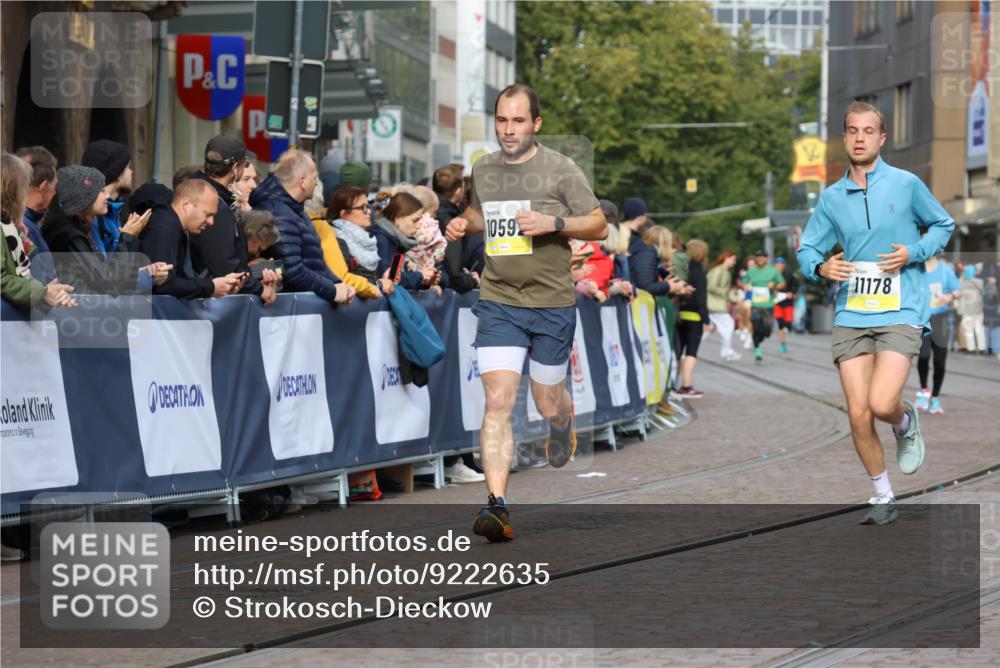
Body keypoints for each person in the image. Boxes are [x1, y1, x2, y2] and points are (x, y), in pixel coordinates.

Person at [444, 84, 607, 542]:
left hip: (552, 302)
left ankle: (562, 419)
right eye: (501, 120)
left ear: (536, 123)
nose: (508, 129)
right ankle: (496, 505)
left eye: (518, 121)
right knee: (497, 402)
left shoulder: (561, 168)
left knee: (546, 402)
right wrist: (463, 223)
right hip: (500, 299)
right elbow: (483, 214)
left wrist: (555, 223)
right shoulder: (484, 168)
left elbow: (599, 224)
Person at [796, 101, 954, 525]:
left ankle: (904, 422)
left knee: (882, 403)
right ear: (845, 138)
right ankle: (883, 495)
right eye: (853, 131)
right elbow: (807, 249)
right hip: (852, 311)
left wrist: (913, 252)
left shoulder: (906, 184)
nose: (860, 138)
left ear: (882, 138)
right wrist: (820, 267)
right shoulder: (832, 198)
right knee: (858, 412)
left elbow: (944, 225)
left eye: (869, 131)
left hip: (901, 306)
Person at [250, 150, 355, 305]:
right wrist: (332, 291)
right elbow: (292, 270)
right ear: (302, 181)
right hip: (291, 308)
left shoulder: (295, 211)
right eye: (315, 177)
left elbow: (315, 262)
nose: (317, 183)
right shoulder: (278, 213)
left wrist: (337, 284)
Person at [42, 165, 166, 295]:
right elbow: (110, 282)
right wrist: (127, 237)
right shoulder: (69, 235)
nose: (107, 196)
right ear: (83, 197)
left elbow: (102, 275)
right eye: (101, 191)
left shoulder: (77, 228)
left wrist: (144, 273)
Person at [189, 135, 277, 305]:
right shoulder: (215, 205)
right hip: (212, 305)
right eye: (244, 165)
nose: (252, 184)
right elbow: (225, 266)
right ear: (236, 168)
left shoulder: (201, 194)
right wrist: (259, 289)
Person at [139, 179, 245, 299]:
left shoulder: (172, 225)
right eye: (208, 214)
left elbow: (176, 279)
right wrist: (211, 287)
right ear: (186, 205)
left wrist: (218, 285)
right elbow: (164, 284)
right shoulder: (166, 226)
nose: (211, 222)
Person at [1, 152, 76, 311]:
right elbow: (2, 280)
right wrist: (43, 292)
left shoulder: (12, 226)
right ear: (12, 191)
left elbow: (22, 277)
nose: (26, 192)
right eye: (24, 186)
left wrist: (47, 294)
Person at [324, 185, 394, 299]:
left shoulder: (367, 239)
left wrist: (384, 278)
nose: (369, 212)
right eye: (363, 208)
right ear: (344, 213)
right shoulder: (337, 239)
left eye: (369, 206)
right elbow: (343, 280)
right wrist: (378, 284)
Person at [916, 253, 960, 414]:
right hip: (922, 318)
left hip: (941, 319)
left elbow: (958, 290)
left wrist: (950, 296)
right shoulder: (917, 268)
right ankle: (924, 391)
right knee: (923, 356)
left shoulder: (945, 269)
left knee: (939, 362)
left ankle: (935, 397)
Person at [373, 192, 437, 292]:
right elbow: (391, 280)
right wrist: (421, 275)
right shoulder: (383, 240)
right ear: (397, 218)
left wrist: (425, 283)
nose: (418, 226)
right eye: (415, 220)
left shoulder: (394, 241)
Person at [81, 139, 133, 256]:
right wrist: (128, 236)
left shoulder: (115, 211)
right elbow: (102, 266)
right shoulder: (91, 216)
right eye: (128, 167)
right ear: (118, 171)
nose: (131, 172)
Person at [433, 163, 480, 293]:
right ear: (458, 190)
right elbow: (455, 275)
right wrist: (473, 280)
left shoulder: (428, 214)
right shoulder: (452, 224)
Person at [14, 146, 58, 283]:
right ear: (43, 186)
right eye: (54, 186)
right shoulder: (24, 227)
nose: (55, 192)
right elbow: (44, 284)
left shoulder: (24, 222)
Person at [675, 239, 710, 397]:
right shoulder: (699, 273)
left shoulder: (681, 270)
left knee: (677, 351)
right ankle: (686, 386)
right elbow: (701, 299)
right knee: (691, 352)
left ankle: (671, 385)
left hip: (679, 315)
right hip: (694, 317)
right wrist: (706, 320)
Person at [741, 250, 785, 364]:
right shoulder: (751, 271)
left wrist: (774, 285)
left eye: (762, 257)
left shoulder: (773, 270)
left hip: (768, 305)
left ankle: (758, 340)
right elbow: (743, 282)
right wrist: (745, 285)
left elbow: (782, 283)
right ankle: (758, 353)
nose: (760, 258)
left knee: (767, 329)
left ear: (766, 258)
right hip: (755, 305)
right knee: (756, 326)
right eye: (758, 257)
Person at [707, 251, 740, 361]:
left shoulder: (725, 271)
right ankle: (727, 351)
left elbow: (726, 290)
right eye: (733, 259)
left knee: (707, 329)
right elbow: (712, 286)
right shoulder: (719, 270)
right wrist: (726, 294)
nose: (735, 262)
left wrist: (736, 299)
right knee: (728, 324)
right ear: (726, 258)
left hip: (715, 303)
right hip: (714, 303)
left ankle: (687, 351)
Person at [772, 256, 799, 353]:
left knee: (788, 323)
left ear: (784, 265)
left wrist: (791, 292)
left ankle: (783, 338)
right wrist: (773, 291)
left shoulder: (789, 275)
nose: (779, 266)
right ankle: (782, 342)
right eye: (777, 264)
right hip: (777, 302)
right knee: (780, 322)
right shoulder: (772, 275)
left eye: (780, 264)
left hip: (787, 301)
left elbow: (796, 285)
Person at [956, 264, 986, 353]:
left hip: (966, 310)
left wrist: (963, 276)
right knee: (979, 329)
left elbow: (957, 288)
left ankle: (971, 348)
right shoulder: (980, 282)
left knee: (969, 330)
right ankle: (981, 348)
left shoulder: (962, 283)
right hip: (978, 309)